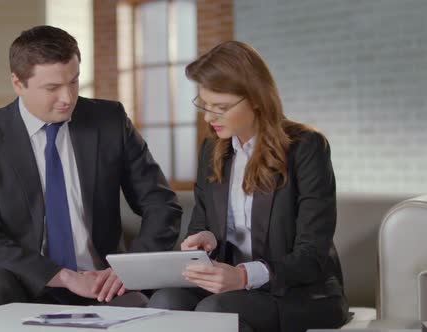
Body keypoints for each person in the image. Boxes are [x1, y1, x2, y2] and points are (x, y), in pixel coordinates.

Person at [0, 25, 181, 312]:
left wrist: (131, 269)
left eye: (73, 82)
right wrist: (61, 277)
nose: (68, 97)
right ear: (17, 83)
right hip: (27, 280)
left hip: (104, 282)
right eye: (52, 88)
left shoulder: (109, 120)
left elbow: (161, 204)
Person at [147, 41, 349, 332]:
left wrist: (243, 276)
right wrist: (205, 237)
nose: (208, 117)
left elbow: (312, 255)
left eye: (221, 107)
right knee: (165, 301)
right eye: (204, 105)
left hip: (296, 291)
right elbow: (200, 224)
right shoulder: (212, 149)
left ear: (256, 99)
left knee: (214, 311)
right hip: (231, 289)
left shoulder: (306, 147)